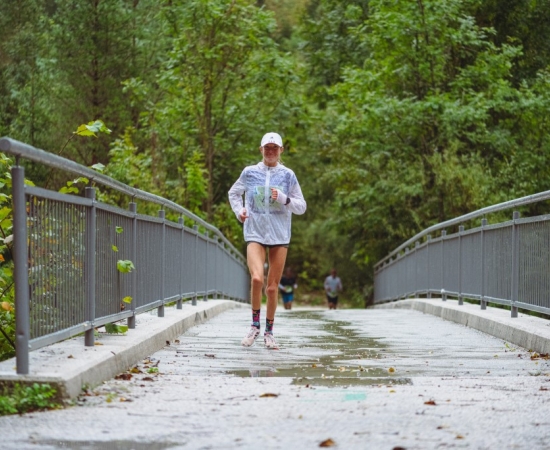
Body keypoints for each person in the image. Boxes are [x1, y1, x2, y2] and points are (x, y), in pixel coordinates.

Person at [228, 132, 307, 349]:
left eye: (275, 148)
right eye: (267, 147)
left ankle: (269, 332)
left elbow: (301, 206)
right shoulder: (249, 172)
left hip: (279, 235)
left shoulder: (288, 175)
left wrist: (284, 199)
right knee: (256, 279)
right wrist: (239, 211)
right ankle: (254, 326)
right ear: (261, 149)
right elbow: (234, 194)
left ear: (281, 150)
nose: (271, 151)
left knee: (272, 288)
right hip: (255, 232)